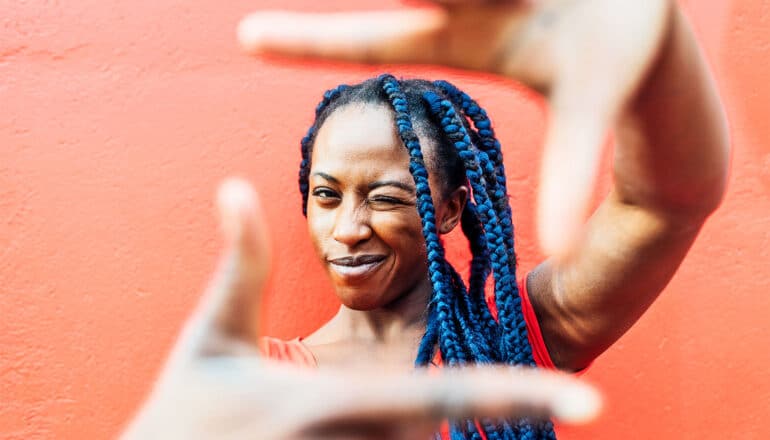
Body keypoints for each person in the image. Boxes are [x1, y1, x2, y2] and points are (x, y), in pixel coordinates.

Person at [122, 0, 729, 439]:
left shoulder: (509, 342)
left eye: (385, 197)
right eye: (327, 195)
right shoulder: (260, 378)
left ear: (447, 208)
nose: (348, 227)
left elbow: (666, 201)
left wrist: (658, 53)